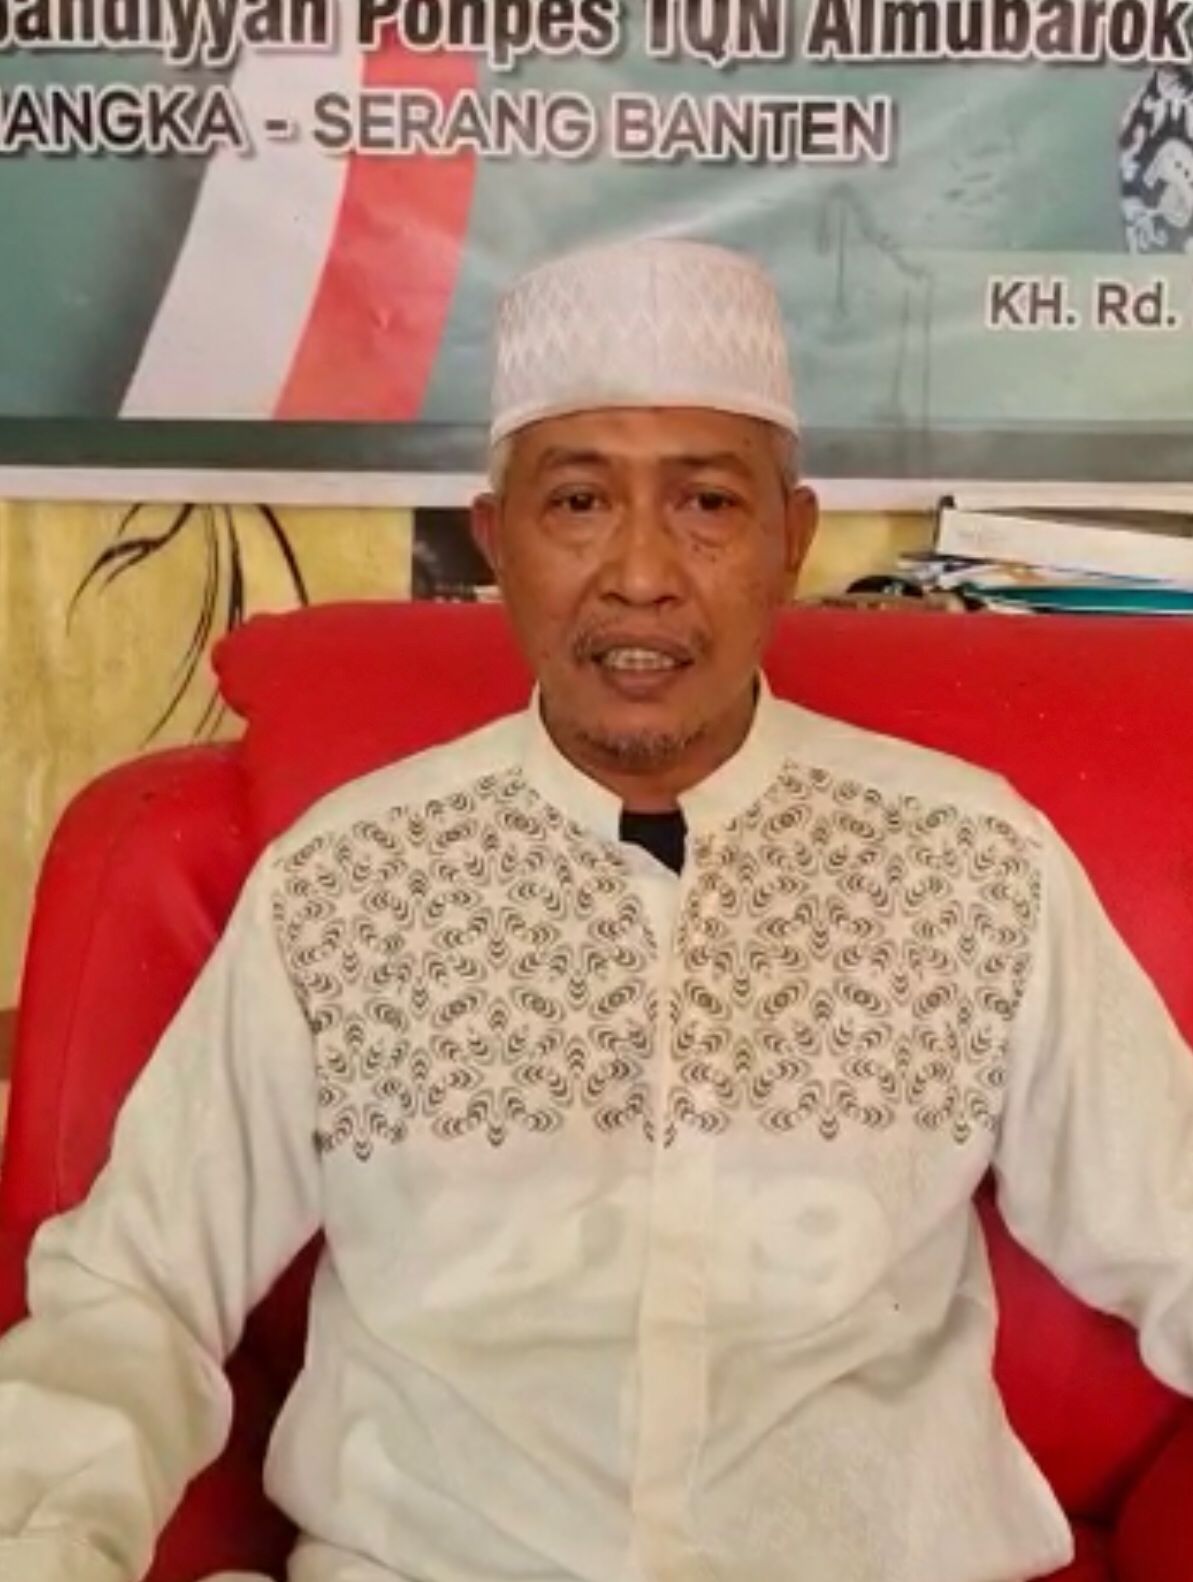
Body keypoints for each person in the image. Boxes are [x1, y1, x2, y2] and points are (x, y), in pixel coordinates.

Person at [2, 237, 1193, 1582]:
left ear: (790, 540)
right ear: (495, 540)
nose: (640, 572)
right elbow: (134, 1290)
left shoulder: (971, 866)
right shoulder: (346, 886)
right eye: (577, 501)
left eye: (706, 504)